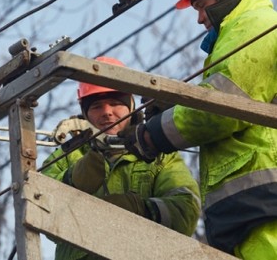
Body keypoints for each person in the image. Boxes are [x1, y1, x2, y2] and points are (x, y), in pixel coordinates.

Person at [118, 0, 277, 259]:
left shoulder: (253, 24)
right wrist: (179, 101)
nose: (200, 19)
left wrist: (151, 136)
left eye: (201, 6)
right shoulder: (240, 30)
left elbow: (224, 107)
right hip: (252, 206)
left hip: (264, 202)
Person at [41, 56, 201, 260]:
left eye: (115, 103)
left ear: (131, 106)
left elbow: (186, 209)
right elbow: (42, 208)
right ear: (85, 113)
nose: (107, 112)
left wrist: (142, 210)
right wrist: (77, 177)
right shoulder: (66, 156)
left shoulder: (160, 156)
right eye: (97, 106)